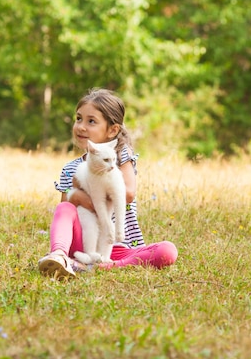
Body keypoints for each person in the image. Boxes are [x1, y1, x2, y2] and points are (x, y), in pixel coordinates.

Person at [38, 88, 178, 279]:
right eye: (79, 118)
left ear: (112, 130)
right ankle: (60, 255)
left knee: (167, 251)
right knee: (63, 208)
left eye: (91, 121)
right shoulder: (71, 169)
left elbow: (128, 194)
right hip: (85, 244)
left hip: (119, 248)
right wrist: (76, 196)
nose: (81, 126)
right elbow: (67, 210)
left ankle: (104, 266)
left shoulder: (120, 158)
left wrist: (86, 195)